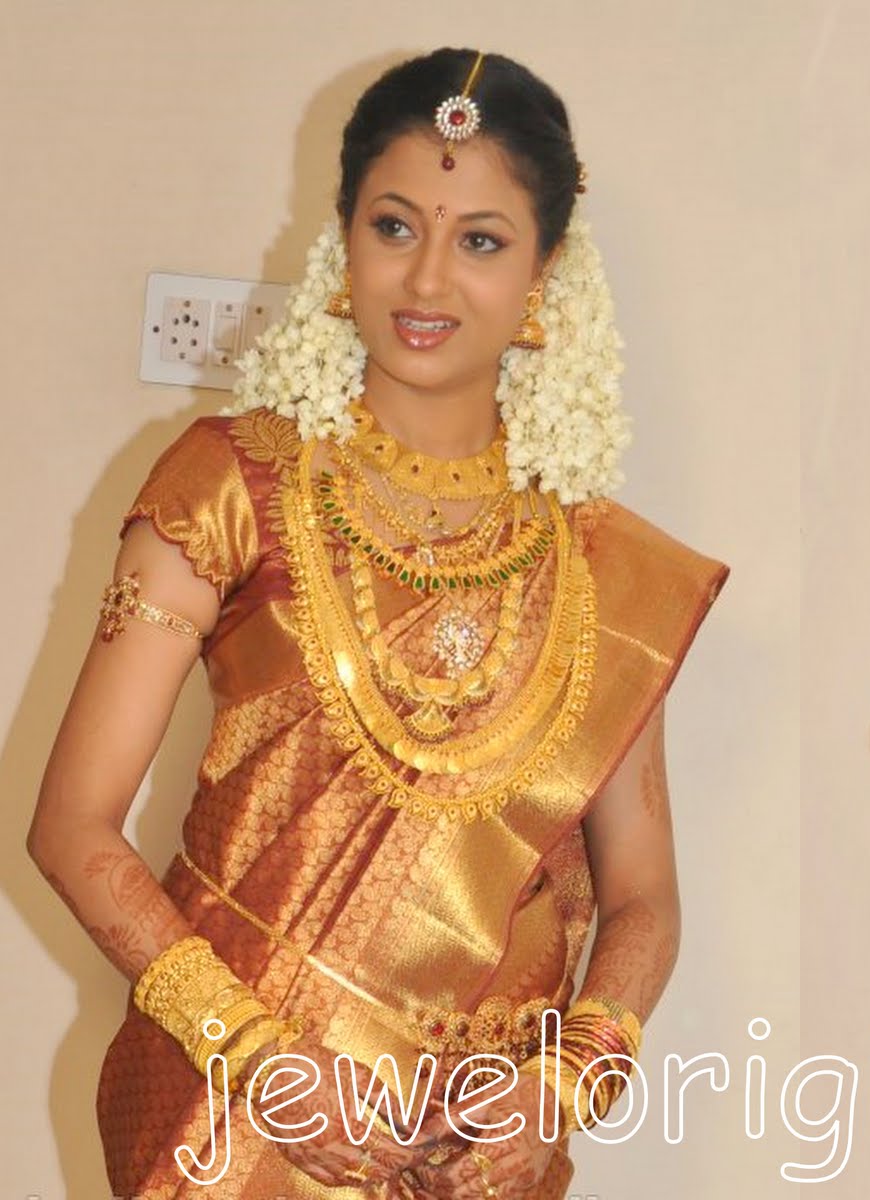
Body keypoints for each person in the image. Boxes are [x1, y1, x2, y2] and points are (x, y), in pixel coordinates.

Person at [29, 48, 726, 1199]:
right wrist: (257, 1059)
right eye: (394, 226)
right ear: (343, 239)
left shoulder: (601, 569)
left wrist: (566, 1080)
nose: (427, 280)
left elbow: (643, 890)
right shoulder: (230, 485)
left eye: (482, 241)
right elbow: (71, 825)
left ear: (545, 272)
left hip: (477, 1154)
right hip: (235, 1128)